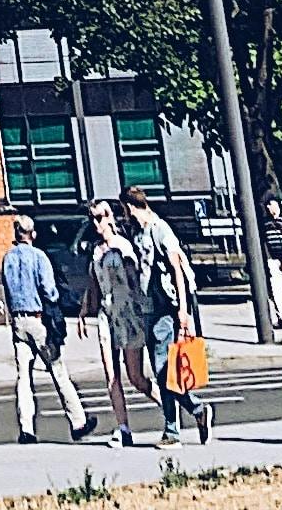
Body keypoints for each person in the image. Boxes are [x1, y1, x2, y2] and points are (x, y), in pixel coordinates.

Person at [116, 189, 208, 446]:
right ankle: (196, 411)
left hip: (166, 307)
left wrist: (183, 310)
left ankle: (173, 430)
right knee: (164, 370)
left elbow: (176, 267)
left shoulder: (160, 229)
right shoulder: (138, 232)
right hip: (149, 307)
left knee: (163, 369)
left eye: (124, 209)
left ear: (131, 206)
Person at [0, 216, 93, 443]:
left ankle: (27, 428)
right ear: (33, 234)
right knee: (58, 371)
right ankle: (78, 421)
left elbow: (7, 290)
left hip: (18, 322)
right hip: (38, 320)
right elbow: (50, 291)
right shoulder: (39, 257)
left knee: (23, 377)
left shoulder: (8, 259)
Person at [83, 201, 150, 445]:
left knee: (136, 377)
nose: (96, 223)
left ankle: (173, 407)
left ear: (111, 217)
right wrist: (84, 309)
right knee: (111, 375)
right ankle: (123, 428)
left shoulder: (123, 247)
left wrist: (144, 309)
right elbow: (94, 281)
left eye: (100, 217)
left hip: (127, 313)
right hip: (105, 315)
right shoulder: (96, 250)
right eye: (92, 218)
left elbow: (135, 278)